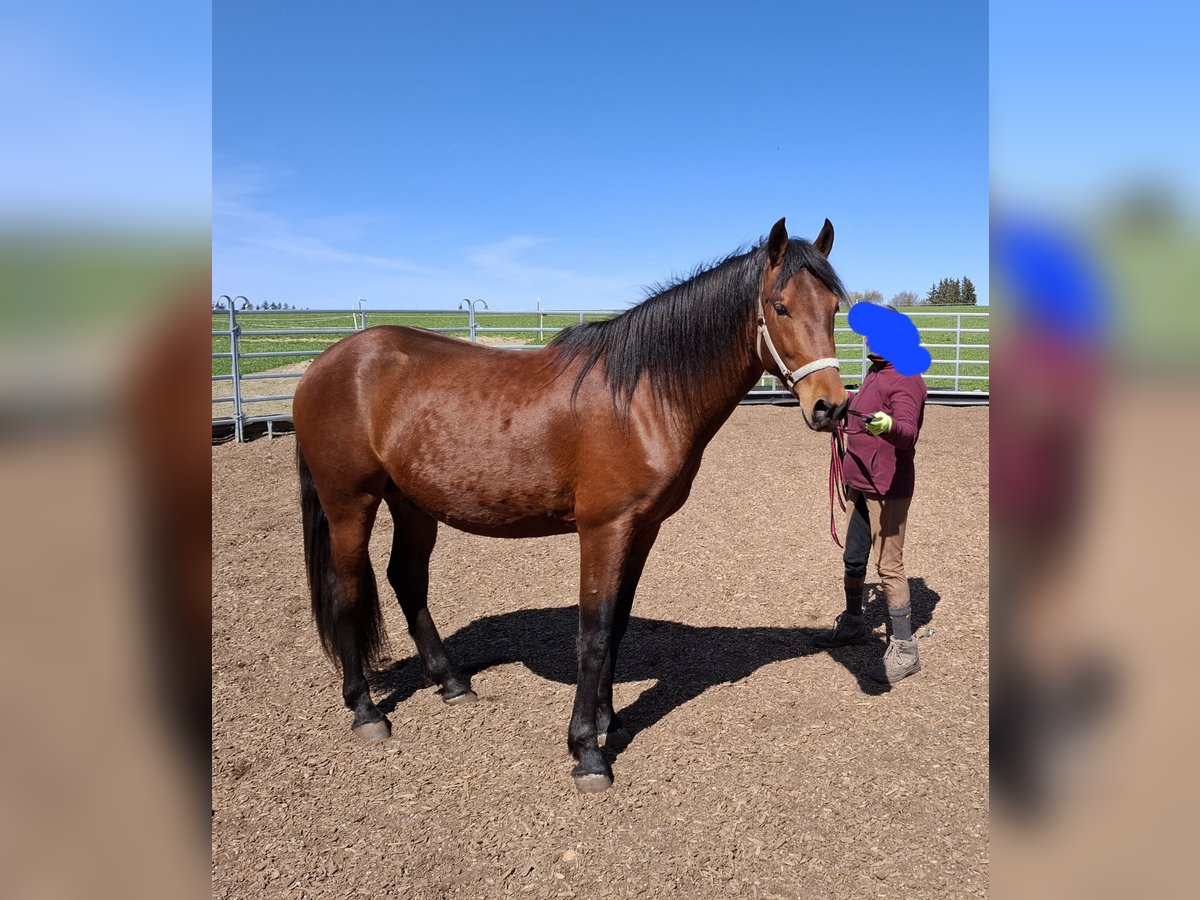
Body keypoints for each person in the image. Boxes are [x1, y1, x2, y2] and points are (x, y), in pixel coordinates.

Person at [813, 345, 928, 684]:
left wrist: (889, 425)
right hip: (860, 482)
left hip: (888, 487)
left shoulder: (906, 378)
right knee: (854, 558)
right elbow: (865, 404)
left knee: (889, 565)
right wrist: (844, 402)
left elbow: (907, 433)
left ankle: (905, 649)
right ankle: (853, 624)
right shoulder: (876, 370)